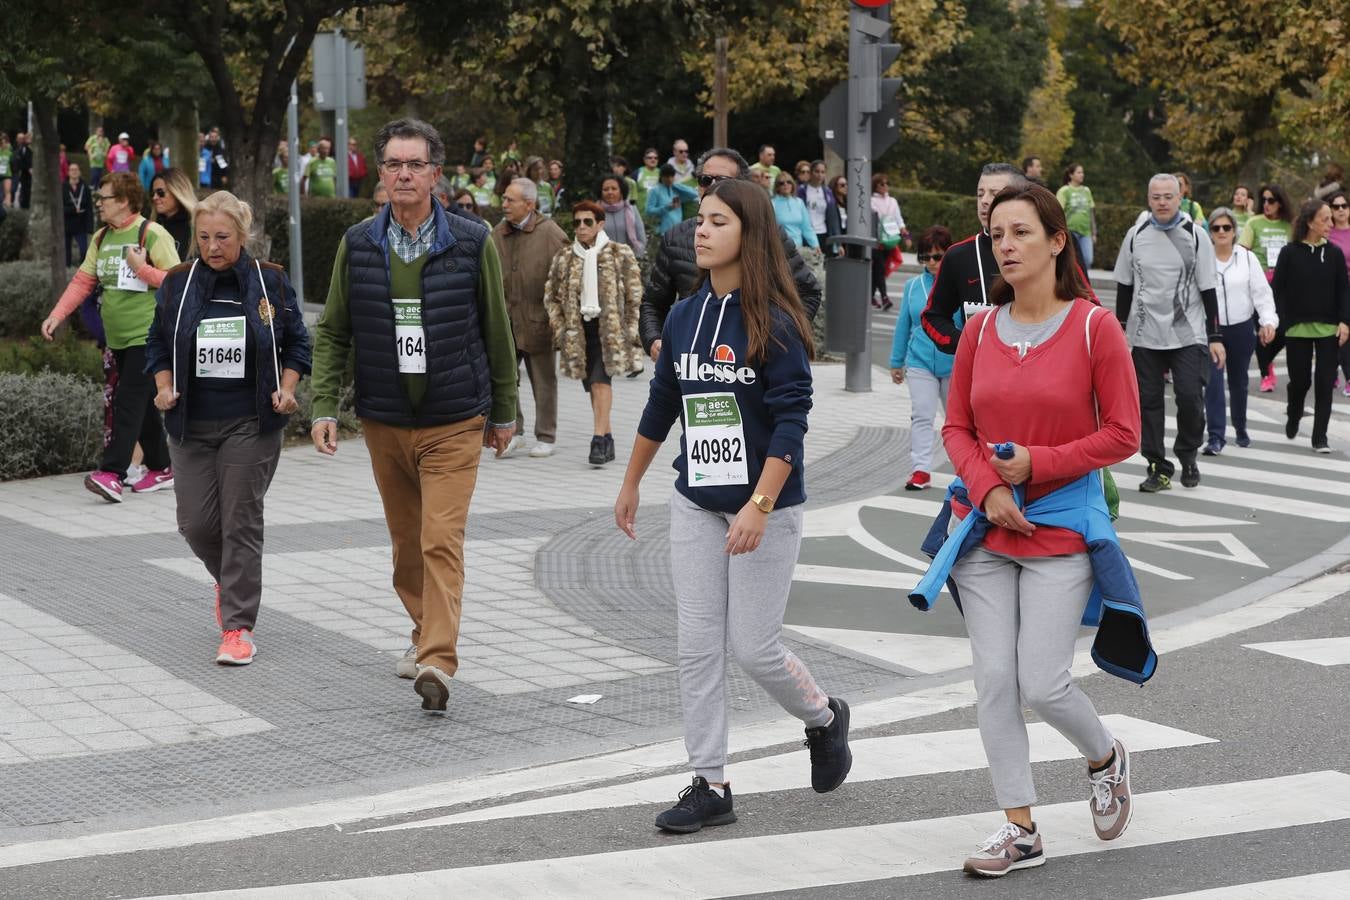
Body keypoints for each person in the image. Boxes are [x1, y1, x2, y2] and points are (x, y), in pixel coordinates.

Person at [615, 178, 852, 834]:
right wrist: (631, 482)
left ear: (748, 236)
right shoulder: (687, 315)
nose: (701, 230)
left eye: (717, 221)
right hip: (696, 501)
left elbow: (791, 424)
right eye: (700, 219)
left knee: (753, 647)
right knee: (696, 644)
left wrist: (760, 504)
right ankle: (710, 781)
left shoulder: (772, 322)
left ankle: (825, 717)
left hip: (765, 508)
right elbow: (664, 402)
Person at [924, 183, 1142, 877]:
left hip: (1062, 524)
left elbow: (1124, 433)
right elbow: (956, 425)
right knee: (993, 679)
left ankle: (1104, 756)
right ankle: (1019, 828)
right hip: (985, 527)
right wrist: (988, 487)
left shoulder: (1091, 328)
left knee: (1042, 683)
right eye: (996, 236)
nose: (1006, 246)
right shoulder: (982, 329)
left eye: (1020, 232)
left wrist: (1037, 466)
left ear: (1056, 242)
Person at [309, 118, 518, 711]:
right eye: (394, 164)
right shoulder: (358, 244)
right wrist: (324, 406)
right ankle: (422, 631)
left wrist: (505, 411)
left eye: (415, 164)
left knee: (440, 539)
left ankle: (437, 661)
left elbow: (496, 331)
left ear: (435, 174)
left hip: (455, 417)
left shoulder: (472, 241)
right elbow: (334, 333)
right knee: (406, 546)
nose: (404, 173)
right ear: (381, 174)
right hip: (384, 420)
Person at [146, 190, 311, 665]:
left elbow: (298, 342)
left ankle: (237, 627)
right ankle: (231, 580)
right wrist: (162, 386)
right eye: (203, 237)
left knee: (241, 522)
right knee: (195, 524)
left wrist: (288, 386)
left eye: (222, 237)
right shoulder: (179, 283)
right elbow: (157, 341)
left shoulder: (270, 282)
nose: (212, 246)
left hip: (251, 421)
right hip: (190, 421)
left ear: (243, 235)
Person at [39, 172, 182, 501]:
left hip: (150, 336)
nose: (98, 203)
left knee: (126, 401)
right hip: (117, 339)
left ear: (124, 201)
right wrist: (56, 315)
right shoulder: (102, 237)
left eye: (103, 198)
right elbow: (83, 282)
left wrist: (142, 268)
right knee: (142, 404)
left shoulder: (151, 233)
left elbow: (177, 283)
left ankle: (112, 473)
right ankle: (162, 468)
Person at [640, 148, 822, 362]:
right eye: (705, 179)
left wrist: (775, 342)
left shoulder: (767, 233)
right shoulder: (676, 238)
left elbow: (807, 292)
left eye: (723, 180)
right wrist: (654, 340)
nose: (711, 186)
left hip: (749, 363)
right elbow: (653, 303)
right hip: (692, 362)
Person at [1114, 173, 1224, 491]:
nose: (1162, 202)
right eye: (1156, 197)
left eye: (1168, 196)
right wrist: (1120, 329)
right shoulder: (1136, 235)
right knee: (1148, 403)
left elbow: (1208, 288)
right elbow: (1124, 284)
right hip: (1145, 333)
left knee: (1190, 397)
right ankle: (1157, 466)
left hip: (1187, 334)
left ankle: (1187, 454)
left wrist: (1215, 337)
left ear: (1180, 198)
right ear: (1149, 200)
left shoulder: (1195, 235)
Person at [543, 200, 643, 466]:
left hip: (609, 331)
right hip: (578, 333)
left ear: (600, 224)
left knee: (601, 381)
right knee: (592, 386)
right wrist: (561, 328)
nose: (581, 227)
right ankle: (606, 435)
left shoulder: (620, 253)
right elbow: (551, 296)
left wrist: (630, 329)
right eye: (577, 222)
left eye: (588, 222)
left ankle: (598, 440)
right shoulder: (564, 257)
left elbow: (635, 297)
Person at [492, 178, 569, 459]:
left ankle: (546, 435)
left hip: (539, 320)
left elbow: (567, 273)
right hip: (506, 321)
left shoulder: (550, 232)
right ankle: (514, 432)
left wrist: (559, 314)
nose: (504, 204)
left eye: (510, 200)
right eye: (504, 199)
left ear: (529, 204)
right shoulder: (497, 233)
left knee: (544, 381)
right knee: (504, 379)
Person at [920, 163, 1025, 351]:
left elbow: (1087, 307)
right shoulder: (958, 255)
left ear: (1020, 197)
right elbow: (932, 316)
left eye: (994, 193)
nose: (985, 200)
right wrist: (964, 344)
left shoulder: (1047, 247)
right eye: (980, 193)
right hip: (981, 373)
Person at [1273, 199, 1350, 453]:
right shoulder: (1289, 253)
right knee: (1300, 381)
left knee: (1325, 382)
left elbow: (1344, 291)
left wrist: (1345, 321)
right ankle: (1294, 414)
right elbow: (1278, 291)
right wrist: (1282, 321)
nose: (1331, 223)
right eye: (1324, 219)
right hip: (1297, 328)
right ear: (1309, 222)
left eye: (1331, 218)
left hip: (1329, 328)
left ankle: (1320, 437)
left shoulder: (1335, 254)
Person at [1202, 207, 1277, 454]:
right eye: (1216, 228)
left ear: (1235, 231)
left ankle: (1241, 426)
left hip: (1242, 329)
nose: (1222, 232)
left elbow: (1261, 292)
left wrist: (1268, 321)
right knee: (1213, 382)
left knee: (1239, 382)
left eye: (1227, 227)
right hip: (1213, 331)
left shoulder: (1247, 258)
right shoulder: (1202, 259)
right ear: (1210, 232)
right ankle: (1215, 436)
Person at [890, 226, 956, 491]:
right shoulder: (912, 286)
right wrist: (896, 362)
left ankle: (965, 469)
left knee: (957, 422)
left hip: (955, 362)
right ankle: (920, 470)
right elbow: (903, 324)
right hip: (919, 362)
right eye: (925, 257)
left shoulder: (960, 284)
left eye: (937, 257)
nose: (931, 263)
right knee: (922, 416)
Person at [1240, 184, 1294, 392]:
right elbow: (1243, 251)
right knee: (1263, 328)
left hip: (1285, 285)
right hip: (1259, 283)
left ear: (1280, 202)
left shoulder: (1289, 226)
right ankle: (1265, 374)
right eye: (1264, 200)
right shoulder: (1254, 223)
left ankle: (1268, 360)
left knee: (1284, 330)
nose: (1266, 204)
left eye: (1271, 200)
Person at [870, 173, 908, 310]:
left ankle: (871, 297)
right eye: (882, 184)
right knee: (879, 269)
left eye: (887, 183)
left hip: (890, 241)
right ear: (875, 186)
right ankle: (885, 297)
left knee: (878, 271)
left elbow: (899, 219)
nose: (885, 186)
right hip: (876, 242)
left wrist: (907, 237)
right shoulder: (870, 201)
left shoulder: (893, 201)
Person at [1327, 191, 1350, 394]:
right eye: (1336, 207)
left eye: (1344, 205)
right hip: (1333, 289)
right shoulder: (1327, 234)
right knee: (1337, 333)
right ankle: (1334, 373)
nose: (1341, 210)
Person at [150, 168, 198, 262]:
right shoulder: (153, 226)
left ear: (177, 192)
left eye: (160, 193)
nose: (155, 197)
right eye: (152, 193)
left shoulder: (197, 225)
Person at [1056, 164, 1096, 269]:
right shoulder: (1064, 191)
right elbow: (1057, 212)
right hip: (1069, 233)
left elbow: (1091, 213)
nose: (1082, 175)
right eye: (1079, 172)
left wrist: (1094, 233)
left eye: (1082, 172)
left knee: (1088, 259)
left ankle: (1081, 282)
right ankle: (1072, 282)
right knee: (1070, 260)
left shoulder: (1086, 190)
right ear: (1071, 175)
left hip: (1085, 232)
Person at [799, 159, 842, 256]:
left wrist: (838, 243)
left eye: (822, 172)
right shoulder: (802, 190)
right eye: (817, 171)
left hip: (824, 232)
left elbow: (833, 217)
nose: (820, 175)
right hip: (807, 234)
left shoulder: (827, 191)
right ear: (811, 172)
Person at [598, 174, 646, 257]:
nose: (610, 192)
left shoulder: (632, 210)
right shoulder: (594, 212)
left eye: (614, 189)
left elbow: (641, 239)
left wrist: (635, 258)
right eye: (606, 189)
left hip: (629, 262)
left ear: (621, 191)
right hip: (603, 262)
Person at [645, 163, 698, 237]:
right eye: (667, 176)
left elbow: (694, 194)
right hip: (662, 233)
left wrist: (676, 185)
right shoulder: (655, 191)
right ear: (661, 177)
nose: (669, 179)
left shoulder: (676, 189)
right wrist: (667, 207)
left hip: (677, 231)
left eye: (672, 176)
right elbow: (649, 211)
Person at [63, 163, 94, 267]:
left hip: (81, 223)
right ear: (68, 172)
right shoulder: (63, 187)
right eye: (72, 170)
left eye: (76, 169)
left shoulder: (85, 187)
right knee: (66, 250)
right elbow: (59, 207)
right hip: (66, 223)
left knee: (84, 249)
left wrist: (90, 227)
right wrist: (72, 210)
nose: (74, 172)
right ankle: (67, 267)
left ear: (79, 172)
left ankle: (82, 268)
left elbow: (89, 208)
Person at [633, 148, 662, 223]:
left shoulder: (662, 173)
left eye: (656, 158)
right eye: (650, 158)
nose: (653, 160)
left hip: (658, 217)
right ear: (644, 159)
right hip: (641, 216)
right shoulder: (638, 173)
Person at [11, 132, 32, 209]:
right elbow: (20, 161)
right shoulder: (22, 149)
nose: (30, 140)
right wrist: (28, 168)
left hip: (30, 176)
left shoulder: (31, 149)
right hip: (24, 175)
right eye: (29, 138)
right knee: (24, 192)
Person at [0, 132, 11, 208]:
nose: (4, 144)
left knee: (7, 191)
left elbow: (13, 163)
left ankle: (8, 207)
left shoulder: (10, 152)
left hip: (7, 174)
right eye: (2, 143)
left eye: (5, 142)